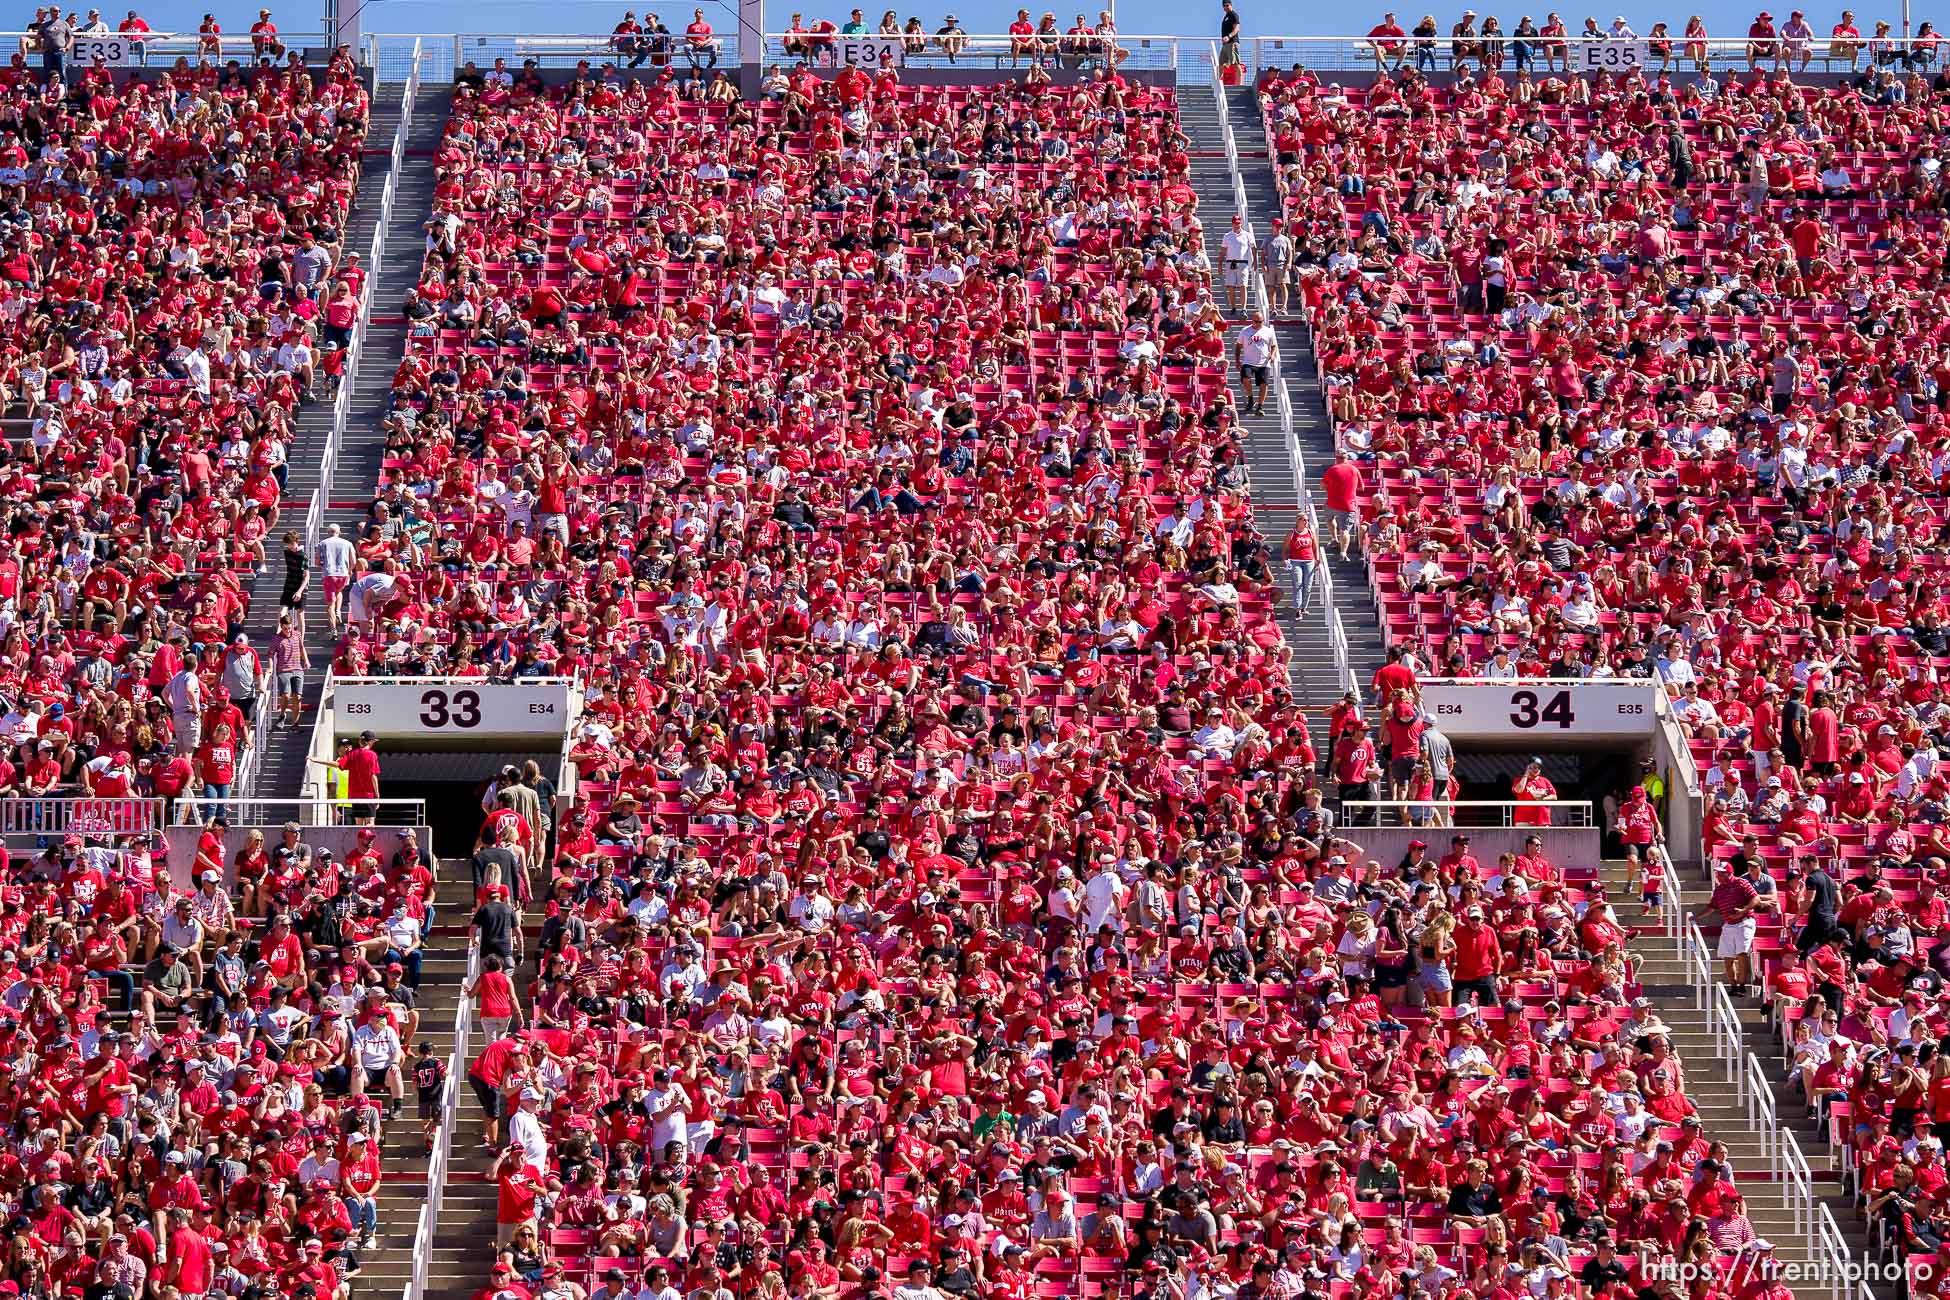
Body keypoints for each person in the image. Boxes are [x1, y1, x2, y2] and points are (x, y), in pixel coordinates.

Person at [1234, 308, 1275, 417]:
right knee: (1245, 379)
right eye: (1255, 321)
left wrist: (1273, 354)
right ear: (1252, 321)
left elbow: (1273, 345)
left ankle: (1260, 406)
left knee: (1263, 384)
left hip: (1263, 362)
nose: (1257, 324)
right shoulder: (1245, 331)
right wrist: (1237, 360)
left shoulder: (1269, 331)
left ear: (1263, 321)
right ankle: (1250, 398)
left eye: (1260, 322)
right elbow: (1238, 346)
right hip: (1248, 361)